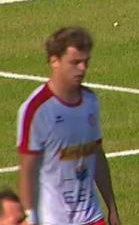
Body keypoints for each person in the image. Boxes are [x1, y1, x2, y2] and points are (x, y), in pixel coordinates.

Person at [17, 27, 122, 225]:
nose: (82, 68)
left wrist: (112, 208)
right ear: (54, 61)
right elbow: (27, 170)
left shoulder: (90, 101)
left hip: (91, 217)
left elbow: (97, 155)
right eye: (75, 62)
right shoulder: (37, 110)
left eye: (85, 62)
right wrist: (29, 218)